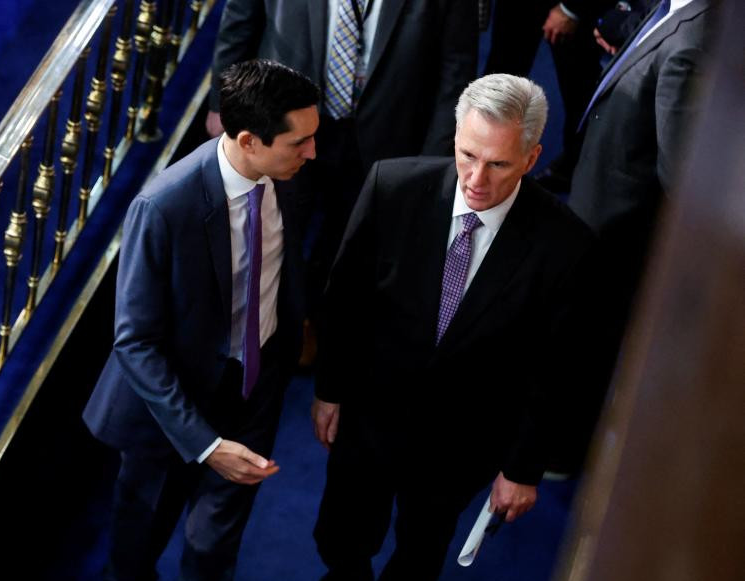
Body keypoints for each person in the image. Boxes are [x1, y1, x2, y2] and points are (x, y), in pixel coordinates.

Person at [301, 73, 594, 581]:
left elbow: (557, 370)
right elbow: (344, 299)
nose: (477, 178)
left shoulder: (564, 245)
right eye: (467, 154)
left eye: (496, 162)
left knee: (416, 557)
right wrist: (330, 389)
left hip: (463, 440)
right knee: (345, 530)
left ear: (531, 157)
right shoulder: (393, 186)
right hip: (368, 416)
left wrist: (521, 465)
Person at [83, 59, 318, 581]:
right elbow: (136, 341)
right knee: (144, 518)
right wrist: (204, 443)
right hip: (167, 406)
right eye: (297, 144)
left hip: (251, 390)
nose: (314, 153)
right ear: (247, 140)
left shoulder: (298, 182)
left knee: (211, 555)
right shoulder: (166, 205)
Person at [207, 0, 478, 358]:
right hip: (283, 125)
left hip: (387, 130)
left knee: (349, 237)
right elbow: (241, 19)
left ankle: (315, 320)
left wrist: (432, 159)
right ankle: (267, 324)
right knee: (271, 227)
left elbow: (456, 70)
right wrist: (222, 106)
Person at [560, 0, 715, 470]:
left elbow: (676, 171)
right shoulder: (674, 9)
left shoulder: (694, 35)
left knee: (589, 337)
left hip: (618, 223)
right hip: (599, 195)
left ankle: (563, 451)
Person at [484, 0, 611, 191]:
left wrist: (573, 9)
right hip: (516, 9)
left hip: (575, 15)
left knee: (580, 93)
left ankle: (577, 171)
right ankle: (483, 151)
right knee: (500, 79)